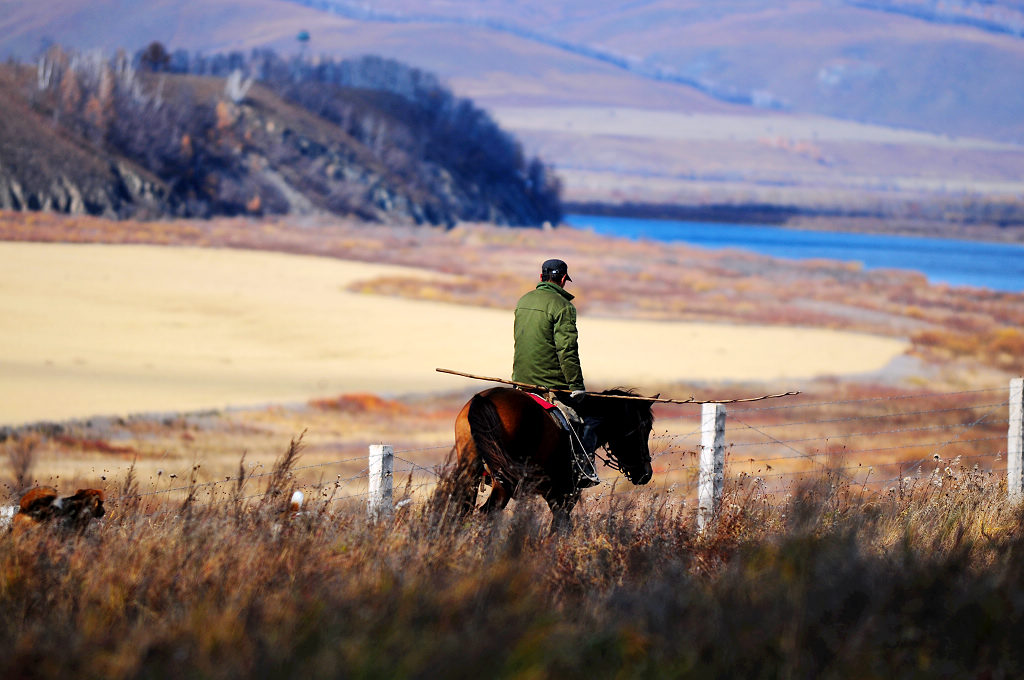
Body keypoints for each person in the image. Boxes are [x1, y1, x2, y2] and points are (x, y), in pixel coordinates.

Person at [512, 259, 601, 487]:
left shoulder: (524, 300)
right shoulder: (563, 307)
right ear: (563, 280)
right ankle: (581, 470)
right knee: (585, 420)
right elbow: (567, 350)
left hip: (520, 379)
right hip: (550, 382)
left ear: (541, 277)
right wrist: (576, 386)